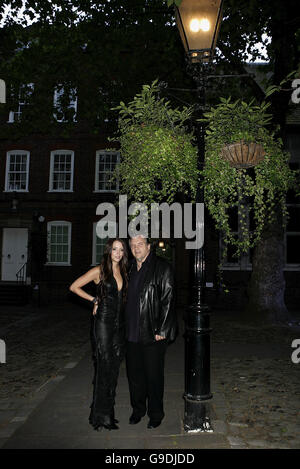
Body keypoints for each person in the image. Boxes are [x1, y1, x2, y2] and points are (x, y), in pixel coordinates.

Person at [69, 238, 128, 431]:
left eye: (121, 250)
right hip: (103, 322)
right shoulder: (99, 270)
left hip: (119, 325)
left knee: (114, 367)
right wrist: (94, 299)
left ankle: (105, 410)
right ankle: (101, 417)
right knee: (104, 365)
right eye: (115, 249)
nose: (118, 253)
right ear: (108, 251)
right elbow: (74, 287)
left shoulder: (124, 270)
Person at [125, 235, 177, 429]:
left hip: (153, 332)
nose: (136, 248)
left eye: (140, 244)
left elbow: (169, 299)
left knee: (154, 377)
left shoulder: (162, 267)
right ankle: (138, 410)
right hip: (131, 332)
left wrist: (162, 328)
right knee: (135, 376)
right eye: (132, 245)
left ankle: (156, 413)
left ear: (148, 246)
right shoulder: (128, 268)